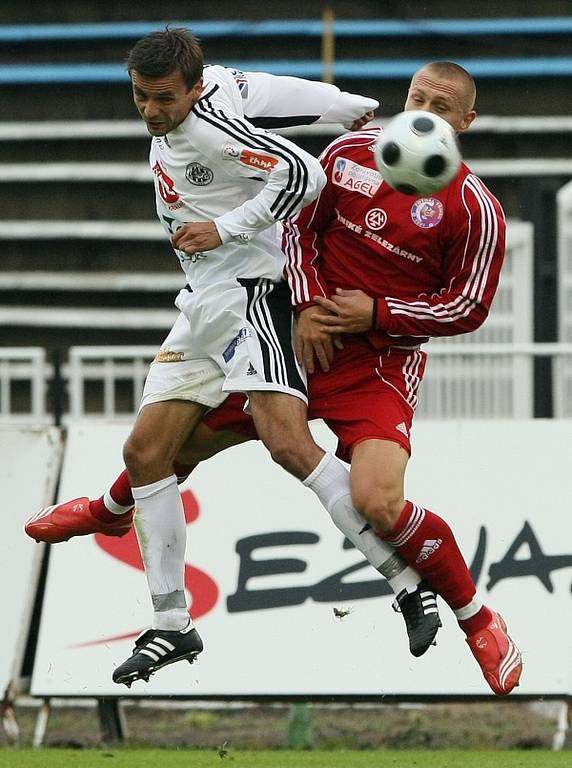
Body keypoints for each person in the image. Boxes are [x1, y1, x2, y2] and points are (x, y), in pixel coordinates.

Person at [26, 28, 440, 686]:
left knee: (289, 445)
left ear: (191, 89)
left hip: (251, 293)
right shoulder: (211, 80)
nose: (152, 111)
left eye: (164, 98)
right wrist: (343, 103)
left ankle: (407, 581)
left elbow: (304, 176)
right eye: (140, 97)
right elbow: (270, 89)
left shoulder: (210, 127)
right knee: (144, 455)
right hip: (202, 301)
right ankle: (171, 626)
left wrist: (224, 227)